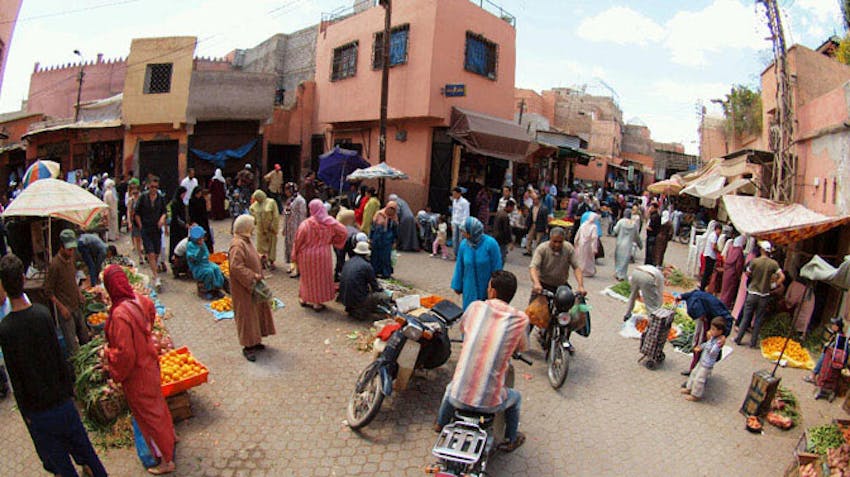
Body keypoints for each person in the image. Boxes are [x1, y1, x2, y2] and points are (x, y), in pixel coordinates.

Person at [0, 254, 108, 477]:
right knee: (87, 454)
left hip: (38, 412)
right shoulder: (42, 315)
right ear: (23, 279)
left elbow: (15, 376)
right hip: (62, 403)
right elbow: (60, 358)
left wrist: (26, 414)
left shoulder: (5, 329)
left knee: (61, 466)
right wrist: (70, 391)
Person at [436, 270, 529, 452]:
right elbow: (523, 348)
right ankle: (511, 439)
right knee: (516, 398)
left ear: (492, 291)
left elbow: (464, 327)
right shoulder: (520, 319)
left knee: (451, 387)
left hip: (458, 398)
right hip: (489, 404)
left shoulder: (475, 307)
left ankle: (440, 424)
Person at [102, 265, 176, 475]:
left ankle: (166, 460)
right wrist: (145, 333)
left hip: (137, 374)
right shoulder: (136, 298)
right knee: (158, 407)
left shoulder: (119, 315)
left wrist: (109, 355)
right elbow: (151, 309)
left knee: (149, 416)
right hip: (150, 363)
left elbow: (125, 355)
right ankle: (171, 438)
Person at [229, 215, 276, 362]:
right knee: (246, 316)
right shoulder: (237, 245)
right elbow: (235, 267)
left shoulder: (245, 241)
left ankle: (255, 340)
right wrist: (252, 276)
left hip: (251, 287)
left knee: (255, 313)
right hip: (244, 288)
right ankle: (248, 346)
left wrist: (259, 257)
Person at [293, 199, 348, 311]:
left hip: (306, 256)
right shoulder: (330, 222)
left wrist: (294, 254)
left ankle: (304, 299)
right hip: (323, 255)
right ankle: (317, 303)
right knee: (319, 280)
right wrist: (335, 241)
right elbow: (344, 232)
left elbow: (298, 241)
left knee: (307, 278)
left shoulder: (305, 224)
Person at [45, 229, 89, 357]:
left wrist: (79, 293)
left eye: (73, 249)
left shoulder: (71, 258)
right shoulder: (54, 265)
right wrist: (61, 307)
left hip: (77, 305)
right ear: (61, 247)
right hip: (66, 310)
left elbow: (73, 277)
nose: (71, 252)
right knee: (72, 346)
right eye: (69, 249)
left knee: (85, 338)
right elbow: (48, 291)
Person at [734, 241, 784, 348]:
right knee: (758, 320)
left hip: (752, 293)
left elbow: (747, 273)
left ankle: (739, 338)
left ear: (761, 250)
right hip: (764, 295)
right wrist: (773, 285)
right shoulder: (773, 264)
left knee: (746, 317)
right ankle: (753, 342)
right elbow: (782, 277)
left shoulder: (755, 262)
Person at [451, 217, 503, 310]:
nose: (462, 234)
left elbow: (497, 268)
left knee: (485, 316)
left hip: (486, 288)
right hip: (469, 288)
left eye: (464, 231)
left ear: (472, 231)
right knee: (470, 314)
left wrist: (495, 289)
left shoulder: (491, 244)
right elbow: (460, 267)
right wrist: (457, 286)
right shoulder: (464, 245)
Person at [678, 289, 733, 376]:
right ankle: (693, 370)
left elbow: (729, 318)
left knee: (704, 349)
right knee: (698, 344)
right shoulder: (695, 296)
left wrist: (724, 335)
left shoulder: (715, 307)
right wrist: (681, 297)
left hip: (714, 328)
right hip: (710, 325)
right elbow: (692, 293)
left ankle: (696, 373)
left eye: (701, 317)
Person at [529, 227, 586, 296]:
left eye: (560, 242)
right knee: (534, 306)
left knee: (577, 303)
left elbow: (576, 267)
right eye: (555, 241)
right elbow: (533, 267)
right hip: (543, 286)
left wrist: (581, 286)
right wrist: (536, 283)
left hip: (562, 286)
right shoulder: (542, 249)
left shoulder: (568, 248)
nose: (557, 245)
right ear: (550, 239)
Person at [680, 317, 726, 402]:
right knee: (694, 373)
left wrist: (708, 340)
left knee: (699, 379)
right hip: (702, 360)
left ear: (720, 331)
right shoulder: (713, 338)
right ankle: (689, 388)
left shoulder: (719, 343)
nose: (711, 331)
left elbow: (712, 352)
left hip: (707, 365)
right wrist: (700, 347)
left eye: (713, 329)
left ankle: (696, 395)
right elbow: (706, 345)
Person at [339, 241, 385, 320]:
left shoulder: (348, 261)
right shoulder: (366, 266)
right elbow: (375, 286)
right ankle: (361, 311)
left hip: (343, 297)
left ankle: (353, 307)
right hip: (357, 298)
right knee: (380, 296)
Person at [135, 176, 166, 291]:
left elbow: (164, 211)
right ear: (148, 186)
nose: (154, 189)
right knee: (151, 253)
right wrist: (141, 225)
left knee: (156, 252)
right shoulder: (143, 198)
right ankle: (156, 276)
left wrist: (162, 219)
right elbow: (137, 212)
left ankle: (154, 268)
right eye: (152, 187)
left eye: (156, 187)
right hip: (146, 228)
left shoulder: (160, 198)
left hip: (156, 229)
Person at [186, 226, 226, 299]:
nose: (202, 239)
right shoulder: (190, 246)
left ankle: (217, 288)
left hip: (206, 263)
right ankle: (208, 290)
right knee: (209, 272)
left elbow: (207, 254)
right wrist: (201, 249)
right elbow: (195, 259)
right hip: (197, 266)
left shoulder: (202, 243)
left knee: (216, 268)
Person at [805, 316, 846, 384]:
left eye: (834, 325)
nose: (832, 326)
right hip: (828, 353)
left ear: (837, 326)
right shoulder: (836, 334)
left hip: (831, 355)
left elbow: (835, 348)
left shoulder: (839, 336)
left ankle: (813, 376)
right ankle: (814, 376)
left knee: (822, 360)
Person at [249, 190, 280, 271]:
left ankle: (272, 261)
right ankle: (262, 261)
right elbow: (252, 215)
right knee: (261, 247)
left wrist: (273, 226)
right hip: (260, 230)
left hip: (270, 229)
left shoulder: (271, 202)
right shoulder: (254, 206)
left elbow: (276, 215)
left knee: (272, 245)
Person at [282, 182, 307, 278]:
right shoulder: (290, 200)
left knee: (296, 247)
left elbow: (302, 215)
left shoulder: (300, 200)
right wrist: (284, 227)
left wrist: (302, 228)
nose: (286, 192)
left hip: (297, 226)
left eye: (287, 190)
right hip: (290, 227)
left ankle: (298, 269)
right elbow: (286, 214)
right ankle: (292, 266)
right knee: (289, 247)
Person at [370, 202, 399, 278]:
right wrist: (370, 238)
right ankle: (374, 272)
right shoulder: (379, 214)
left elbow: (395, 231)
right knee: (375, 256)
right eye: (390, 208)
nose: (391, 211)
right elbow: (373, 227)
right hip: (377, 238)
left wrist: (395, 242)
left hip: (387, 240)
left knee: (385, 257)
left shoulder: (394, 218)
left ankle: (385, 273)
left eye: (393, 209)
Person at [613, 209, 642, 281]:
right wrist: (640, 244)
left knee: (618, 258)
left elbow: (615, 230)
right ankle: (622, 274)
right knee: (625, 260)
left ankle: (617, 273)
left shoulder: (621, 222)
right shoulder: (634, 224)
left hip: (620, 243)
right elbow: (637, 236)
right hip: (628, 244)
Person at [720, 233, 746, 308]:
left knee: (724, 288)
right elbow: (739, 265)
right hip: (733, 273)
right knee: (729, 291)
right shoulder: (739, 251)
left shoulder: (731, 247)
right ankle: (725, 305)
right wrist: (739, 275)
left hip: (726, 270)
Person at [334, 209, 360, 281]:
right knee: (340, 260)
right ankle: (339, 276)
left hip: (346, 239)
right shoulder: (345, 235)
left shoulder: (356, 234)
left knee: (351, 259)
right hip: (339, 240)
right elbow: (340, 253)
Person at [574, 212, 600, 277]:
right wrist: (594, 248)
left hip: (581, 243)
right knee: (589, 258)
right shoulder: (594, 227)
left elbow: (578, 234)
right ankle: (588, 271)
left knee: (581, 257)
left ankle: (580, 270)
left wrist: (575, 242)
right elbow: (594, 238)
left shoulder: (583, 225)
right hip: (589, 244)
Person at [168, 186, 189, 265]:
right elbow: (176, 217)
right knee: (175, 243)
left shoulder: (181, 202)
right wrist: (184, 224)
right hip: (176, 227)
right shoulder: (175, 203)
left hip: (182, 228)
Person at [188, 187, 213, 252]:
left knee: (206, 235)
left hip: (203, 220)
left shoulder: (202, 200)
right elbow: (191, 213)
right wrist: (192, 222)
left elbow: (205, 210)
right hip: (196, 220)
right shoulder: (192, 201)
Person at [450, 187, 470, 260]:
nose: (454, 196)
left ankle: (461, 256)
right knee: (454, 239)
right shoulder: (454, 201)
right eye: (453, 194)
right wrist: (452, 222)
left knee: (461, 240)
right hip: (455, 222)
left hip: (462, 223)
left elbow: (466, 214)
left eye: (455, 194)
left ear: (459, 194)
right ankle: (455, 254)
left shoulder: (465, 202)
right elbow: (454, 212)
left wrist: (463, 225)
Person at [700, 222, 722, 290]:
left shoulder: (712, 235)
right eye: (720, 231)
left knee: (707, 272)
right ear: (717, 229)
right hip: (710, 256)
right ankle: (702, 287)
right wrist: (719, 251)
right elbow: (713, 246)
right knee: (707, 272)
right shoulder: (714, 236)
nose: (720, 233)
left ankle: (703, 286)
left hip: (709, 255)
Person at [127, 182, 144, 264]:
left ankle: (145, 252)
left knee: (143, 238)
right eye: (134, 193)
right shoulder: (131, 200)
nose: (135, 194)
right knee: (137, 238)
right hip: (135, 221)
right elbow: (129, 211)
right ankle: (140, 256)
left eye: (136, 192)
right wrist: (129, 222)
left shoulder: (142, 199)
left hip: (143, 220)